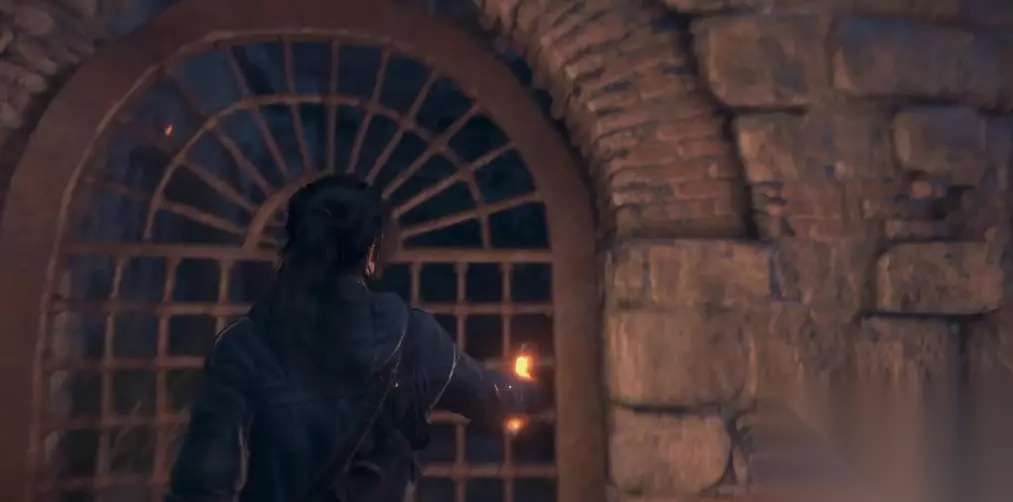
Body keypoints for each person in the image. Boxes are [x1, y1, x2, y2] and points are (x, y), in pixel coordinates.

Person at [165, 175, 544, 502]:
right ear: (371, 252)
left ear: (295, 246)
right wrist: (530, 380)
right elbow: (498, 399)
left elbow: (202, 484)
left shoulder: (242, 346)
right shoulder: (412, 336)